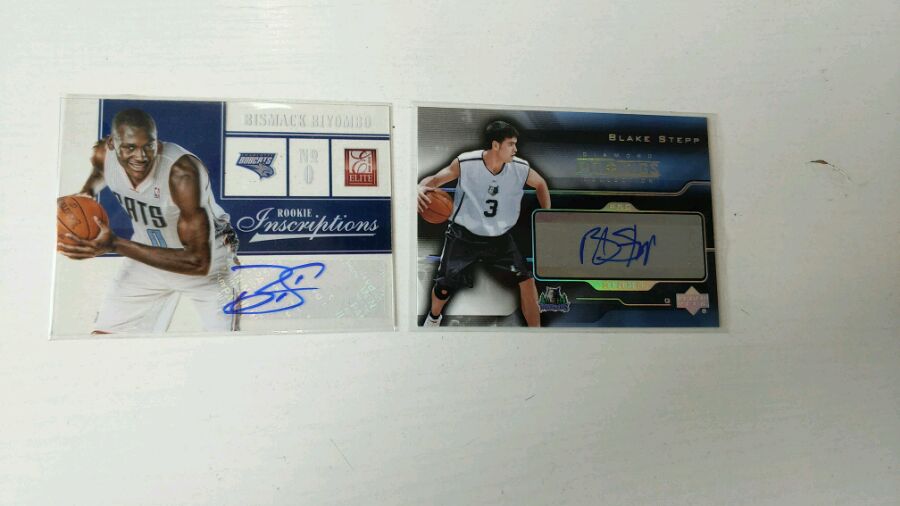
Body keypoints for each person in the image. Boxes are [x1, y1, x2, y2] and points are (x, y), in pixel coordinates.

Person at [57, 108, 240, 333]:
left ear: (158, 143)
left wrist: (115, 244)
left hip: (209, 263)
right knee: (104, 339)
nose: (141, 156)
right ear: (112, 144)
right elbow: (101, 171)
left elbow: (198, 262)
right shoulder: (103, 155)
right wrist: (86, 193)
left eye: (149, 146)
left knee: (223, 346)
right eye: (130, 147)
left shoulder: (182, 173)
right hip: (146, 257)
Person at [417, 120, 551, 327]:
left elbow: (541, 184)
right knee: (444, 287)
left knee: (526, 280)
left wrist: (546, 216)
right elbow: (434, 180)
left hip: (500, 239)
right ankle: (434, 317)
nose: (515, 149)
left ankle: (537, 333)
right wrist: (419, 188)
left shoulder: (520, 168)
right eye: (511, 144)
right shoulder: (466, 163)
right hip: (463, 235)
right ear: (496, 145)